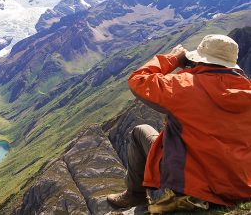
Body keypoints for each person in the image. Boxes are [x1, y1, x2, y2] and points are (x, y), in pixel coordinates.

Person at [107, 34, 251, 210]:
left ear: (199, 59)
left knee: (140, 131)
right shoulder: (246, 90)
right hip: (238, 185)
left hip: (196, 184)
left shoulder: (184, 85)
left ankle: (135, 196)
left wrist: (173, 59)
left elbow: (138, 80)